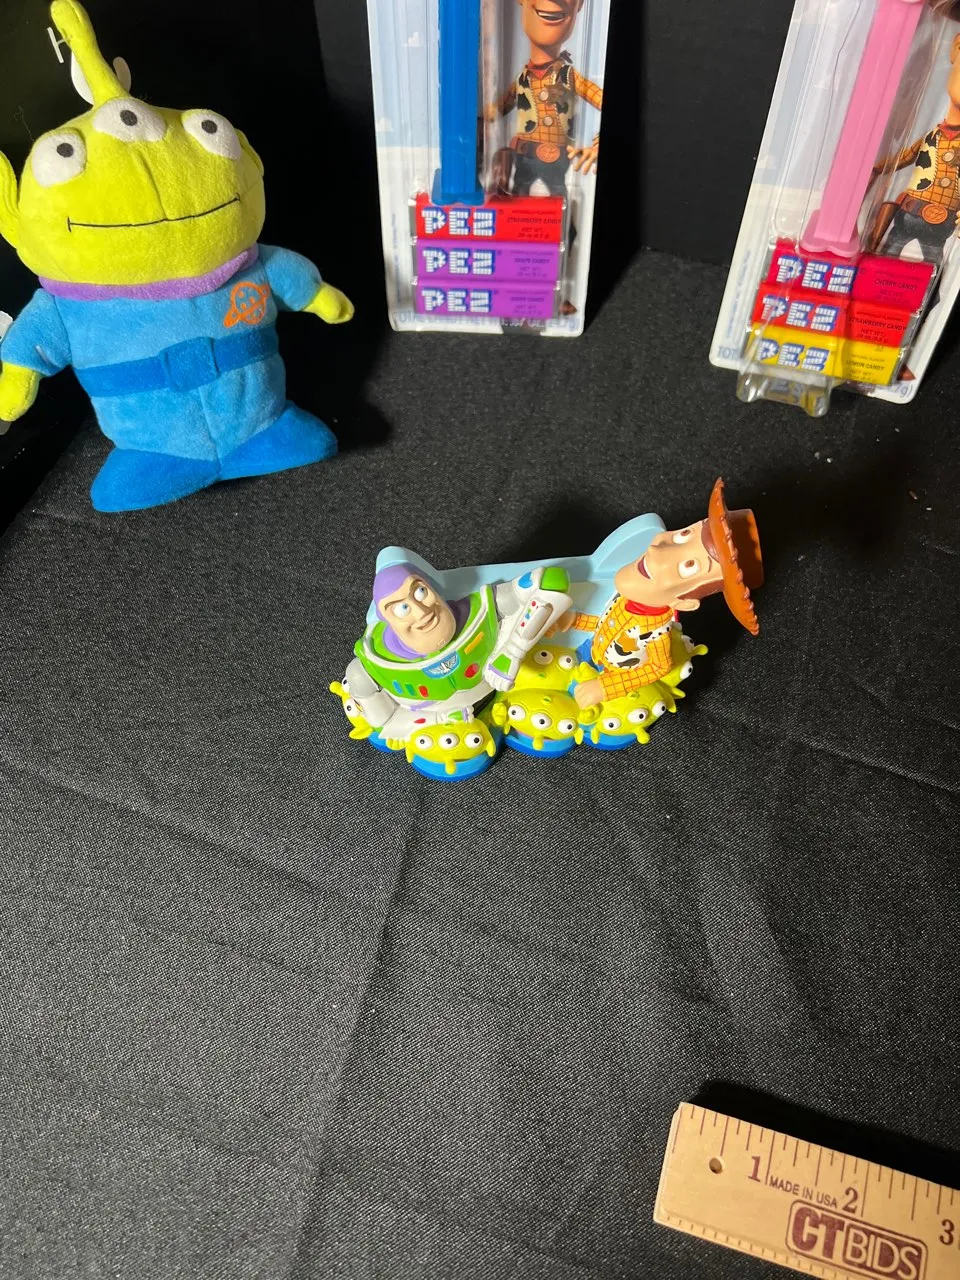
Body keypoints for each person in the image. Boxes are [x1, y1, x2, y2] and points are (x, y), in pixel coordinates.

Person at [551, 480, 764, 710]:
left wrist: (605, 687)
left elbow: (658, 667)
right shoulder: (626, 600)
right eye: (683, 535)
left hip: (611, 674)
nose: (656, 550)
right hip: (590, 650)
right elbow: (606, 625)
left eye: (688, 566)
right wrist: (572, 620)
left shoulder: (655, 635)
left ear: (685, 603)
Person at [339, 562, 572, 745]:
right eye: (403, 608)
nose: (421, 613)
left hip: (500, 692)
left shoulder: (481, 609)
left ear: (431, 587)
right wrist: (439, 719)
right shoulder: (375, 661)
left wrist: (513, 650)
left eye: (420, 592)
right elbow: (384, 723)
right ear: (386, 618)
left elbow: (551, 581)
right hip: (436, 722)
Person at [486, 0, 602, 200]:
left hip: (556, 154)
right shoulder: (522, 78)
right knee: (519, 191)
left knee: (558, 194)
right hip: (524, 152)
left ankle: (563, 219)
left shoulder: (569, 76)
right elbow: (498, 109)